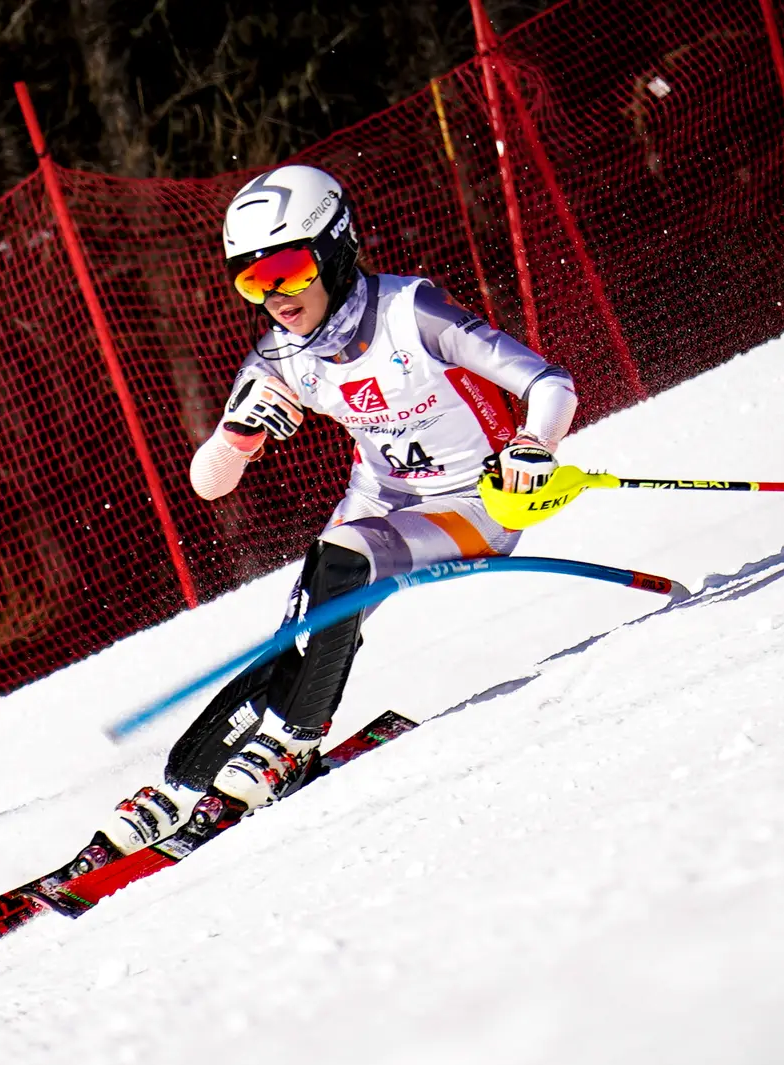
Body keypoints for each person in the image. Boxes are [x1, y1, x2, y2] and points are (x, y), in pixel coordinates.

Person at [94, 163, 580, 856]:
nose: (276, 297)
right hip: (379, 504)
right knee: (297, 632)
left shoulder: (410, 312)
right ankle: (184, 782)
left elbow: (549, 383)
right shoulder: (282, 356)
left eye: (288, 270)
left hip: (477, 503)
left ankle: (292, 742)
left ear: (335, 246)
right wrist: (236, 434)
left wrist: (534, 443)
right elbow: (208, 484)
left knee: (342, 558)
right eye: (253, 280)